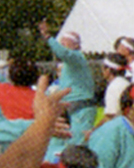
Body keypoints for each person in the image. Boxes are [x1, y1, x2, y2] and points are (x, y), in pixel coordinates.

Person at [37, 22, 97, 152]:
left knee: (78, 146)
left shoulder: (76, 57)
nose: (62, 44)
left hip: (81, 108)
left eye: (66, 42)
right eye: (61, 41)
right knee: (67, 143)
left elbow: (63, 53)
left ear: (76, 45)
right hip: (72, 108)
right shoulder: (69, 65)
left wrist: (48, 37)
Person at [99, 53, 130, 124]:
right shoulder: (126, 83)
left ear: (109, 70)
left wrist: (93, 131)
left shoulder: (114, 87)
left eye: (103, 68)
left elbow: (110, 116)